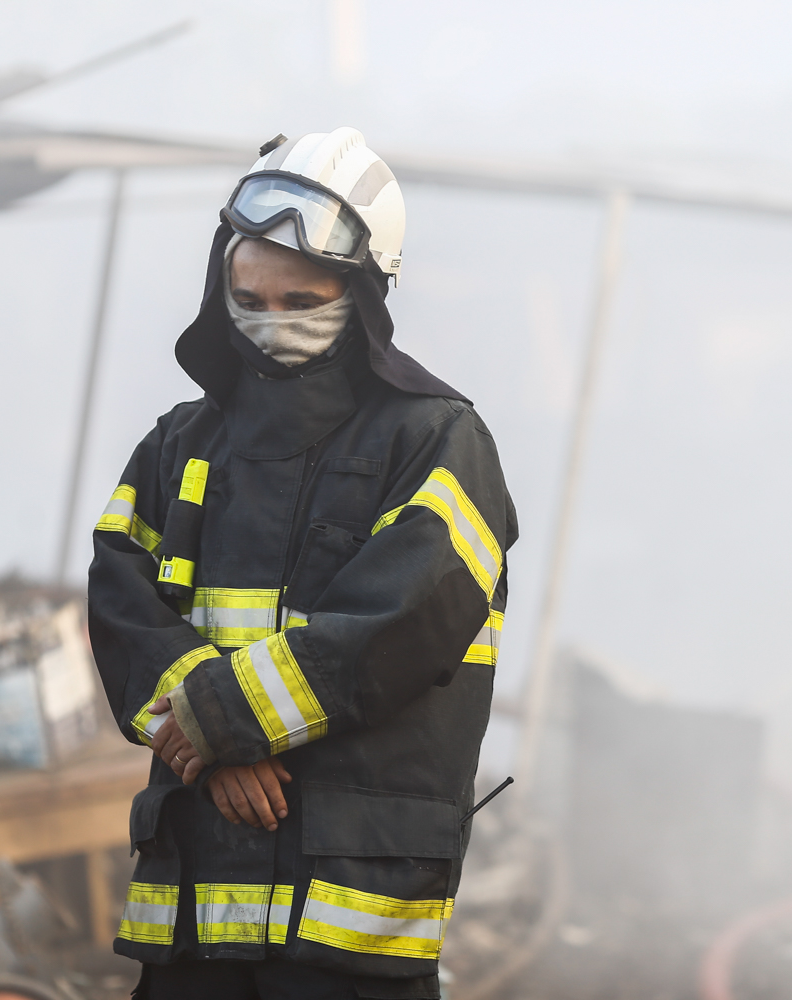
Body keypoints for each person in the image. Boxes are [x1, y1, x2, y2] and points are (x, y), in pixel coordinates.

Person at [88, 128, 516, 999]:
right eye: (248, 296)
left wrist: (216, 717)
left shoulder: (438, 442)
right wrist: (213, 739)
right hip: (193, 904)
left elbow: (395, 624)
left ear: (362, 294)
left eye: (301, 299)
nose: (268, 320)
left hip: (346, 915)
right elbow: (121, 601)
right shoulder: (181, 443)